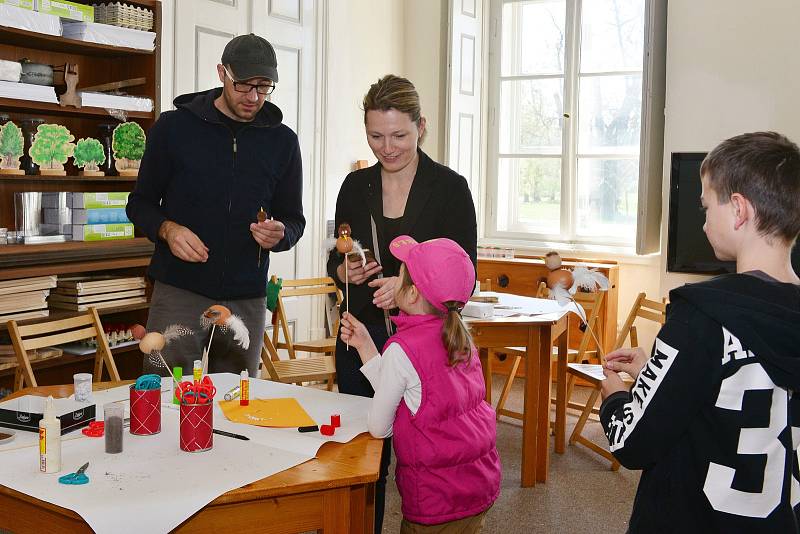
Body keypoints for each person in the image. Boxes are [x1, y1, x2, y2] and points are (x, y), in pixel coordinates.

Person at [599, 131, 800, 532]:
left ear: (739, 210)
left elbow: (632, 443)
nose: (704, 221)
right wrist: (658, 373)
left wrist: (616, 395)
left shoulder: (700, 316)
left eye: (707, 206)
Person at [326, 74, 477, 531]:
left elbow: (462, 283)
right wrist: (342, 272)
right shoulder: (354, 186)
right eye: (375, 136)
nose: (386, 148)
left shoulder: (451, 189)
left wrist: (410, 291)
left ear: (421, 127)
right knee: (362, 459)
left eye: (399, 136)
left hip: (427, 351)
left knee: (428, 460)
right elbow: (338, 254)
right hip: (363, 338)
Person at [127, 33, 305, 377]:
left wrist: (280, 234)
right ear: (222, 72)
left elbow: (294, 220)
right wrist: (167, 229)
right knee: (164, 397)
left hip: (247, 299)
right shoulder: (173, 128)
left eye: (264, 86)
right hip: (179, 291)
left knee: (238, 405)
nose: (253, 97)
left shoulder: (283, 142)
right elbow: (140, 204)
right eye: (243, 85)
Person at [341, 235, 501, 533]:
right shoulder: (459, 337)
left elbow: (380, 426)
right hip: (477, 488)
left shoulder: (403, 348)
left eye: (399, 275)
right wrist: (365, 345)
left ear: (412, 294)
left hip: (435, 500)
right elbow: (414, 393)